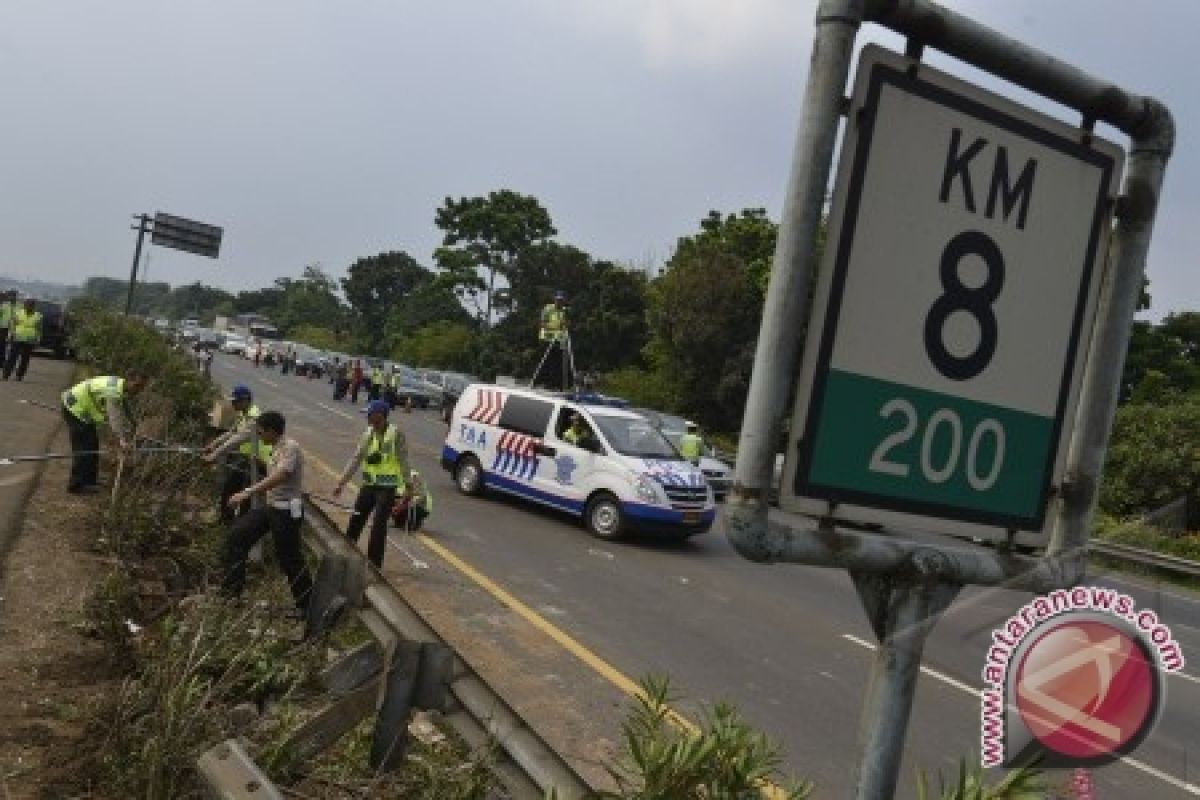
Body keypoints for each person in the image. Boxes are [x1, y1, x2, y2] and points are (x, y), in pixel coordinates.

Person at [221, 411, 313, 619]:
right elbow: (275, 471)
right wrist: (262, 463)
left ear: (272, 431)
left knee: (290, 559)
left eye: (262, 433)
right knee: (237, 535)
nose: (260, 437)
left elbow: (281, 476)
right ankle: (230, 594)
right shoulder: (275, 449)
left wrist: (247, 492)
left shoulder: (291, 447)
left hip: (287, 511)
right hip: (272, 507)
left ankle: (306, 606)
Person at [333, 399, 410, 567]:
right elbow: (357, 458)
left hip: (387, 488)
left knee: (378, 527)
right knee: (356, 518)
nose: (367, 418)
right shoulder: (368, 433)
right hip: (369, 486)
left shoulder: (395, 434)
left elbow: (404, 461)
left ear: (379, 416)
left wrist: (409, 487)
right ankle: (345, 555)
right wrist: (341, 482)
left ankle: (374, 565)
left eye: (369, 414)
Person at [61, 371, 148, 494]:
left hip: (81, 410)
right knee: (84, 448)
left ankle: (89, 481)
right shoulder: (113, 391)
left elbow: (124, 405)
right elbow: (114, 417)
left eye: (142, 387)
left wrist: (134, 422)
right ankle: (76, 485)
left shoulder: (120, 386)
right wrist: (122, 439)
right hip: (74, 409)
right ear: (129, 380)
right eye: (137, 386)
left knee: (93, 445)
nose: (139, 390)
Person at [202, 385, 271, 523]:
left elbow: (236, 440)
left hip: (258, 463)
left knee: (245, 496)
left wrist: (215, 454)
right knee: (230, 489)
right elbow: (231, 432)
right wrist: (214, 444)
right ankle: (227, 520)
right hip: (246, 459)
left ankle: (235, 523)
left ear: (245, 400)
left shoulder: (254, 417)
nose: (233, 404)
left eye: (236, 401)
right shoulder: (243, 414)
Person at [536, 290, 572, 391]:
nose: (559, 302)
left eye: (561, 300)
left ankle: (556, 385)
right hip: (547, 339)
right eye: (558, 300)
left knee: (558, 363)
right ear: (554, 299)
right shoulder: (548, 308)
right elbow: (542, 324)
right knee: (546, 363)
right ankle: (543, 383)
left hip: (559, 341)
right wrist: (556, 327)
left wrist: (567, 325)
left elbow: (567, 325)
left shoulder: (564, 311)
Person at [3, 298, 42, 382]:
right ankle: (6, 374)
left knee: (25, 359)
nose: (28, 306)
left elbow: (39, 329)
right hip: (17, 338)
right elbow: (13, 325)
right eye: (27, 305)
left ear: (34, 307)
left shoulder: (38, 316)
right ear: (24, 305)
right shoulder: (18, 313)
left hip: (30, 340)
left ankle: (19, 375)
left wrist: (37, 340)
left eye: (31, 305)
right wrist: (11, 335)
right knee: (12, 357)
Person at [0, 289, 17, 365]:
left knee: (10, 346)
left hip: (14, 328)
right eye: (10, 295)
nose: (11, 297)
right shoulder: (4, 305)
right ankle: (1, 361)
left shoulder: (19, 306)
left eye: (13, 295)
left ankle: (8, 362)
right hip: (3, 327)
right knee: (2, 344)